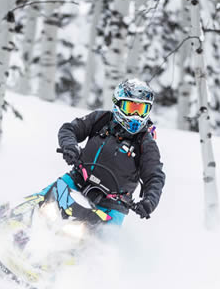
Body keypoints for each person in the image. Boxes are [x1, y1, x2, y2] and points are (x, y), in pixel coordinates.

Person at [57, 79, 166, 225]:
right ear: (118, 104)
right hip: (76, 181)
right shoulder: (101, 119)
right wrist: (70, 147)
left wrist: (149, 202)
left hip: (112, 206)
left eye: (141, 110)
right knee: (37, 205)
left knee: (103, 244)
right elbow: (69, 129)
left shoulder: (145, 143)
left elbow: (155, 176)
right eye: (130, 107)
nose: (135, 115)